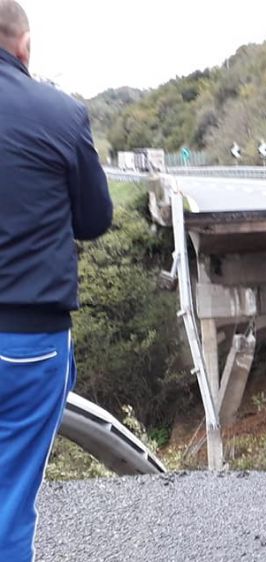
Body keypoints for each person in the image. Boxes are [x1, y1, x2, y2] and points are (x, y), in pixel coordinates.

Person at [0, 2, 113, 560]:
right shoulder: (62, 114)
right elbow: (95, 221)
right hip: (27, 343)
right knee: (10, 500)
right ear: (24, 45)